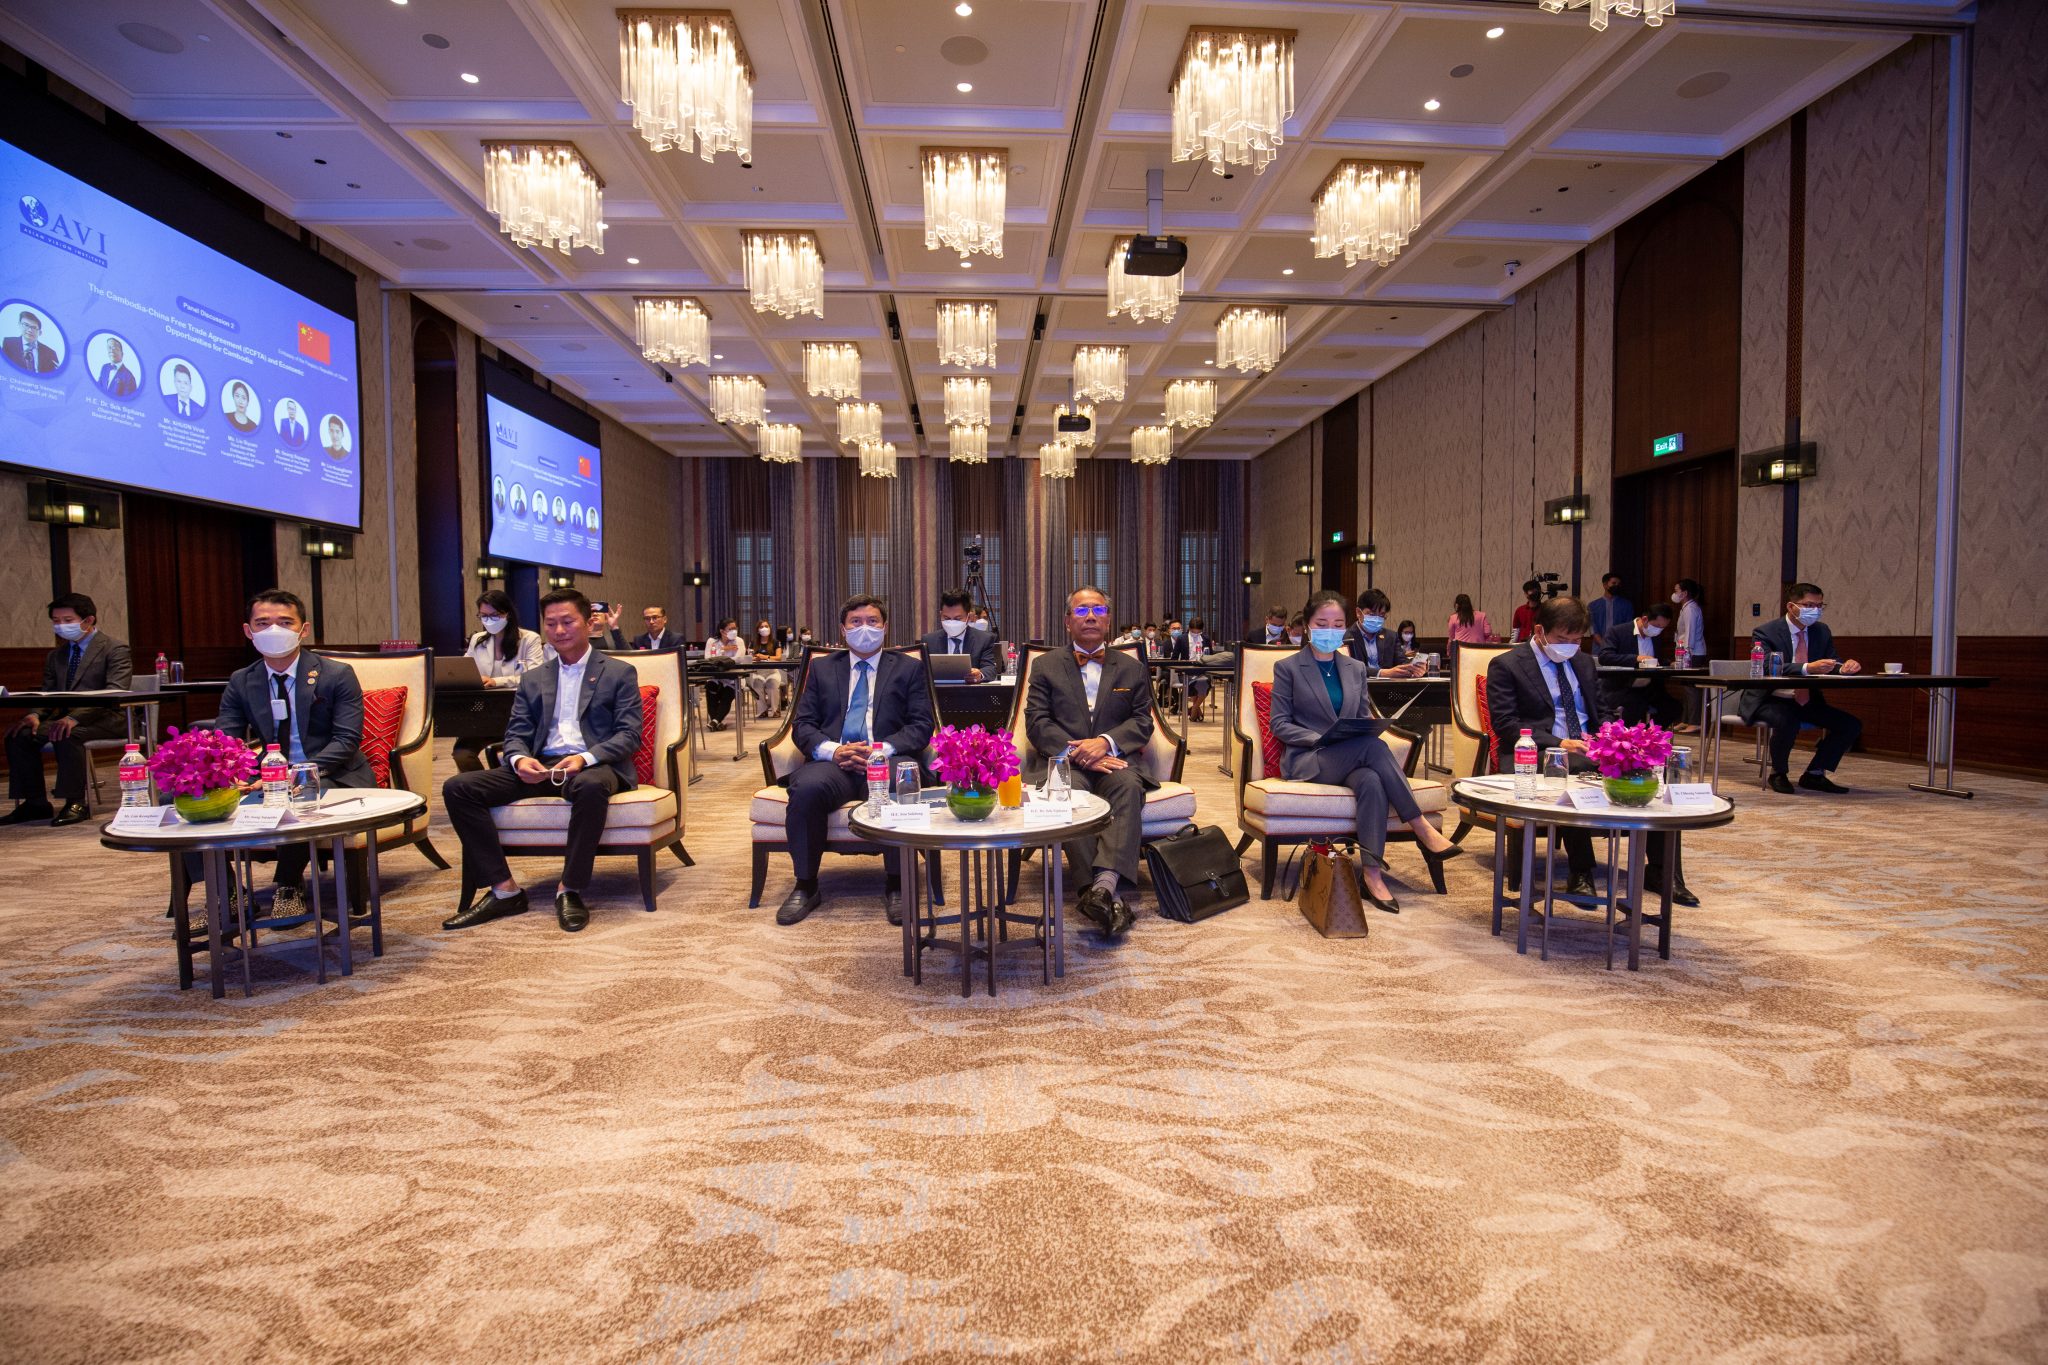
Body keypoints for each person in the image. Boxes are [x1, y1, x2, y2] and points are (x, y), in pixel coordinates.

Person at [441, 589, 644, 934]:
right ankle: (505, 890)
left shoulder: (618, 672)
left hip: (593, 765)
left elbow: (629, 735)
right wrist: (520, 759)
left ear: (588, 623)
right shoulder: (535, 677)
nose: (559, 630)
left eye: (567, 622)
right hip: (541, 764)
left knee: (591, 787)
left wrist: (583, 758)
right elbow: (516, 732)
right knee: (459, 788)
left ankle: (570, 888)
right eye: (551, 624)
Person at [1270, 591, 1464, 911]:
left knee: (1372, 781)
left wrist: (1364, 728)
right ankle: (1421, 827)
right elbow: (1279, 724)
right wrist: (1321, 738)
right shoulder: (1288, 667)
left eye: (1338, 625)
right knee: (1373, 747)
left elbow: (1360, 717)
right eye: (1322, 623)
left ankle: (1372, 875)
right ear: (1308, 626)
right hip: (1309, 758)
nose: (1330, 630)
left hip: (1350, 756)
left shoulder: (1355, 668)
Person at [198, 590, 375, 918]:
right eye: (262, 623)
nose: (273, 630)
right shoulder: (242, 680)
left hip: (331, 773)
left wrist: (297, 773)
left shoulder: (336, 674)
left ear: (303, 629)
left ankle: (289, 885)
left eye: (284, 622)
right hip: (266, 772)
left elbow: (346, 740)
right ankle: (229, 892)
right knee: (185, 797)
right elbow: (227, 741)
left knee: (298, 794)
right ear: (248, 631)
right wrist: (231, 772)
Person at [777, 595, 934, 927]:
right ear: (843, 629)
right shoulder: (822, 668)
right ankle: (806, 885)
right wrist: (833, 750)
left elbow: (921, 725)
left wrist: (880, 749)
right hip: (834, 761)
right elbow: (803, 724)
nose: (865, 628)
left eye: (872, 621)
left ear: (885, 627)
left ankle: (897, 884)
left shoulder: (908, 668)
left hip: (886, 758)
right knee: (806, 788)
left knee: (898, 784)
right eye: (856, 622)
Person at [1024, 587, 1156, 938]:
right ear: (1067, 621)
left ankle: (1100, 888)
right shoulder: (1045, 666)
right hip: (1066, 763)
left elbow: (1142, 721)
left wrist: (1105, 743)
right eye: (1082, 611)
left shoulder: (1131, 668)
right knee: (1065, 792)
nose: (1091, 617)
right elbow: (1037, 721)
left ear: (1109, 619)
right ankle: (1106, 893)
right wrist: (1079, 752)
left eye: (1098, 610)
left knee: (1128, 786)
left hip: (1115, 761)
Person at [1485, 596, 1609, 900]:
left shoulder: (1583, 662)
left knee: (1647, 764)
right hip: (1534, 751)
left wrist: (1611, 738)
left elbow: (1602, 711)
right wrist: (1561, 743)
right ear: (1539, 631)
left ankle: (1662, 872)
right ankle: (1581, 871)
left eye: (1576, 640)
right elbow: (1506, 725)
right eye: (1562, 639)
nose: (1569, 646)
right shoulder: (1507, 665)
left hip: (1588, 747)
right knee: (1569, 768)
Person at [2, 593, 133, 828]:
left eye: (67, 620)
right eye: (56, 621)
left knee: (66, 734)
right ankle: (35, 803)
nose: (61, 626)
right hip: (65, 719)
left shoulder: (115, 649)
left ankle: (75, 802)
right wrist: (34, 714)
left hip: (107, 717)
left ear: (88, 620)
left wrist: (74, 718)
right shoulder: (56, 655)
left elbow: (115, 691)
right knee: (19, 735)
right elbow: (48, 692)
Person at [1739, 583, 1864, 795]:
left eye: (1819, 606)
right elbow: (1766, 666)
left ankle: (1814, 773)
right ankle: (1778, 773)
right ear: (1791, 606)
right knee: (1787, 721)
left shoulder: (1821, 631)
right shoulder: (1766, 631)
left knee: (1850, 725)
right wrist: (1807, 667)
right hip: (1771, 698)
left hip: (1806, 699)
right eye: (1809, 605)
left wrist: (1844, 667)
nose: (1815, 610)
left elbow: (1832, 661)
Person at [452, 590, 544, 773]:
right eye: (484, 616)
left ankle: (499, 782)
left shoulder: (529, 639)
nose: (489, 621)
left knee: (505, 756)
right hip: (483, 713)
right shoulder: (478, 640)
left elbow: (534, 677)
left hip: (516, 712)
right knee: (462, 753)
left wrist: (496, 681)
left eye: (494, 615)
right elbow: (465, 669)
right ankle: (478, 785)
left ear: (507, 613)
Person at [1596, 601, 1684, 727]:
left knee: (1674, 707)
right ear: (1645, 619)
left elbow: (1655, 659)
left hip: (1649, 687)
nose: (1658, 630)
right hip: (1622, 687)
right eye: (1657, 626)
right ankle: (1625, 735)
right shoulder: (1618, 632)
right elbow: (1605, 657)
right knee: (1636, 703)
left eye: (1662, 628)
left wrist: (1670, 663)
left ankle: (1648, 735)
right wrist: (1636, 658)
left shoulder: (1655, 636)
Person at [920, 588, 1001, 682]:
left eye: (957, 619)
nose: (951, 622)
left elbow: (990, 669)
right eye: (946, 618)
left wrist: (979, 675)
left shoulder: (984, 639)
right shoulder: (929, 640)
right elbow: (921, 671)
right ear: (940, 614)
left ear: (968, 617)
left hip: (970, 690)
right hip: (939, 690)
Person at [1346, 589, 1425, 678]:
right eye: (1371, 614)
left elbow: (1402, 662)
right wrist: (1381, 673)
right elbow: (1350, 668)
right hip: (1359, 685)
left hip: (1388, 686)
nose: (1376, 619)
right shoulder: (1346, 637)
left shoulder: (1391, 637)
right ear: (1358, 612)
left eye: (1381, 615)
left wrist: (1414, 667)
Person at [1672, 579, 1708, 733]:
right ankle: (1686, 719)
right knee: (1686, 687)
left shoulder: (1691, 609)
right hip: (1686, 652)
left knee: (1691, 688)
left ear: (1685, 593)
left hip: (1692, 653)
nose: (1675, 594)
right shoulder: (1686, 608)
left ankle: (1695, 721)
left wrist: (1686, 653)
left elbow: (1690, 633)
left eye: (1677, 590)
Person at [701, 617, 745, 729]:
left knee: (727, 694)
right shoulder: (712, 641)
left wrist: (720, 660)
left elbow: (738, 659)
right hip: (715, 676)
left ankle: (715, 722)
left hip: (732, 678)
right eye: (730, 629)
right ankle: (716, 722)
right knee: (710, 688)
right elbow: (708, 658)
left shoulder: (739, 641)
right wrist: (724, 650)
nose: (734, 631)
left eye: (735, 628)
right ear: (722, 631)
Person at [1169, 616, 1215, 723]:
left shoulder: (1205, 638)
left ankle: (1194, 708)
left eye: (1198, 632)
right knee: (1195, 682)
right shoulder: (1182, 638)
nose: (1196, 634)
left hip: (1202, 670)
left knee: (1205, 681)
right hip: (1186, 671)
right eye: (1193, 632)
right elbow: (1174, 657)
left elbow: (1211, 656)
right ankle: (1196, 711)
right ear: (1189, 628)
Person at [745, 619, 783, 718]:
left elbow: (779, 657)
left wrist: (765, 657)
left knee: (772, 684)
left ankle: (775, 710)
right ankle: (762, 710)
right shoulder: (753, 642)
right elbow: (748, 657)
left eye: (766, 626)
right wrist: (755, 658)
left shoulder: (776, 642)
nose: (764, 628)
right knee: (757, 684)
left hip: (772, 671)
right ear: (758, 630)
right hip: (758, 671)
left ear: (770, 628)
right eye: (761, 627)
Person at [1589, 572, 1633, 640]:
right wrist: (1603, 643)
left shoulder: (1626, 605)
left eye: (1618, 584)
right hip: (1599, 645)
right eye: (1614, 583)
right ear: (1605, 585)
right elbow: (1593, 628)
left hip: (1619, 644)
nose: (1616, 586)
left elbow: (1628, 627)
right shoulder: (1593, 606)